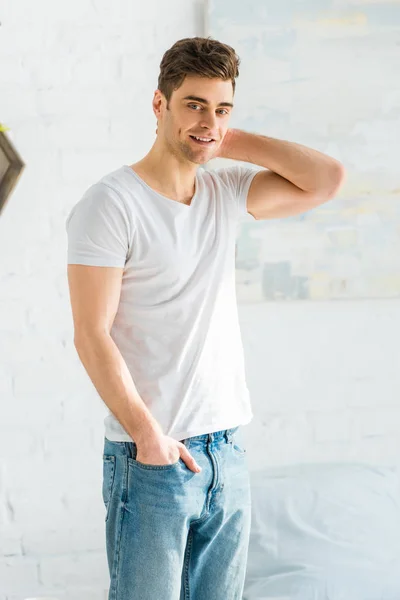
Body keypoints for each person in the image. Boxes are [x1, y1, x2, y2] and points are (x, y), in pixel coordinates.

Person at [66, 36, 345, 600]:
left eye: (222, 108)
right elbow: (91, 335)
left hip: (227, 452)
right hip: (150, 460)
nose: (208, 120)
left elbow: (327, 179)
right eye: (194, 104)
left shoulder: (225, 190)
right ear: (158, 105)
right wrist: (148, 438)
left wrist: (224, 138)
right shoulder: (110, 203)